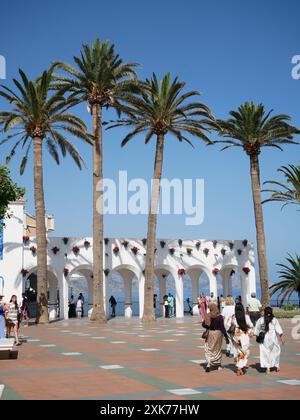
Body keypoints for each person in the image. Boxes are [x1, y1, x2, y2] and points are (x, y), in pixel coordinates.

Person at [254, 307, 284, 374]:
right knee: (276, 351)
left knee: (265, 353)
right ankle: (277, 366)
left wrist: (257, 338)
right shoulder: (274, 320)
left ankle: (268, 368)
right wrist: (282, 339)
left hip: (264, 338)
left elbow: (256, 330)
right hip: (273, 338)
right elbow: (279, 330)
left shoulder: (260, 320)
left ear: (264, 312)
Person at [202, 303, 229, 373]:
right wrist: (226, 336)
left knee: (209, 348)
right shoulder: (220, 317)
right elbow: (222, 327)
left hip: (211, 333)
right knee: (217, 349)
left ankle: (208, 364)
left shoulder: (208, 315)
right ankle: (218, 365)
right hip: (219, 334)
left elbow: (204, 325)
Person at [230, 302, 253, 376]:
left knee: (238, 351)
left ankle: (239, 366)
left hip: (237, 336)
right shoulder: (246, 317)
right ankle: (239, 367)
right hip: (244, 336)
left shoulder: (234, 317)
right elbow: (251, 325)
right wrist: (250, 332)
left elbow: (230, 325)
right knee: (245, 352)